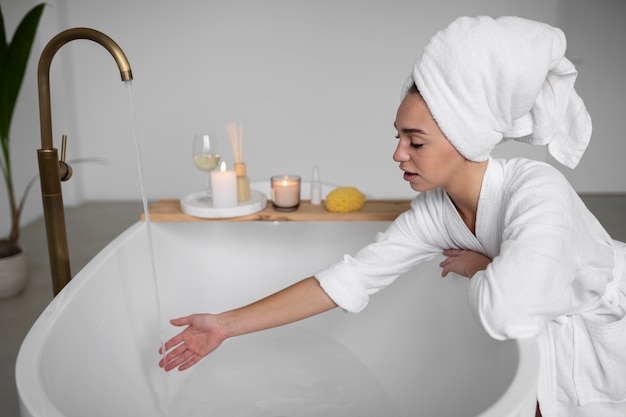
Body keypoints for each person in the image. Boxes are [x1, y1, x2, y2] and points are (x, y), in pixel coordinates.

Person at [159, 16, 626, 417]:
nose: (398, 153)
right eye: (398, 136)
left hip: (607, 336)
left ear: (466, 137)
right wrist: (226, 324)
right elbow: (347, 280)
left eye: (415, 141)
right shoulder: (435, 214)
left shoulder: (537, 191)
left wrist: (478, 265)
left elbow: (510, 312)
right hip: (550, 342)